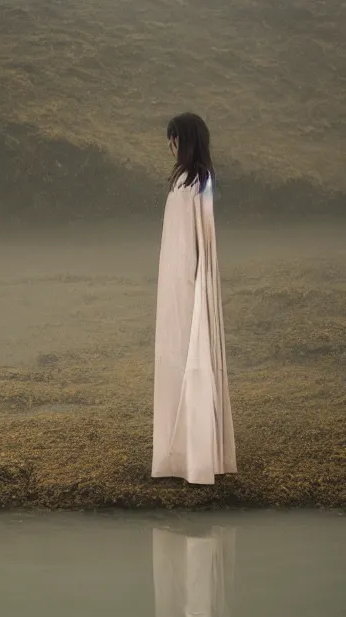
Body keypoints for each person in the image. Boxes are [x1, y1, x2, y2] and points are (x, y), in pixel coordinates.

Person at [152, 113, 237, 485]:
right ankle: (181, 454)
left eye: (172, 139)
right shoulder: (187, 181)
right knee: (175, 360)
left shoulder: (196, 182)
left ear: (181, 140)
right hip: (177, 284)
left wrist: (193, 287)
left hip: (187, 286)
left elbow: (198, 243)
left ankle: (194, 457)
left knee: (190, 360)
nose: (170, 147)